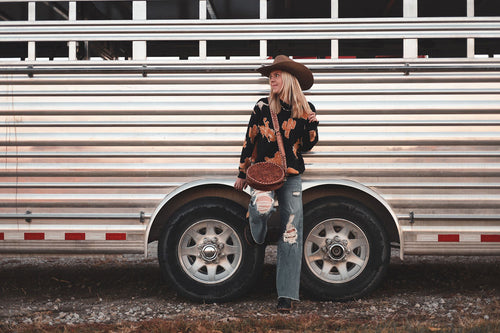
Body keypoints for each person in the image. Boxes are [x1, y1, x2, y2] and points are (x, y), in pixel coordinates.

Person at [234, 55, 319, 313]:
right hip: (262, 175)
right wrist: (241, 172)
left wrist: (312, 126)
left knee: (291, 233)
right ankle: (254, 232)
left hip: (291, 175)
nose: (271, 78)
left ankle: (286, 295)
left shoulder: (304, 107)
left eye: (276, 74)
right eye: (270, 75)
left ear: (289, 79)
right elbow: (249, 140)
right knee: (261, 209)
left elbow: (306, 146)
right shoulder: (262, 107)